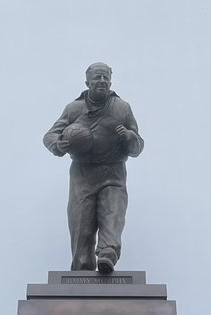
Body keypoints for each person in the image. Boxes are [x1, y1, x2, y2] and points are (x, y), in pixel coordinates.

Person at [43, 62, 144, 273]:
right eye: (97, 77)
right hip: (83, 174)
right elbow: (50, 135)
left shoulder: (122, 108)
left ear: (111, 80)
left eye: (105, 77)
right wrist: (58, 144)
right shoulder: (74, 108)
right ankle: (82, 271)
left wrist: (129, 137)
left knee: (113, 214)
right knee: (81, 225)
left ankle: (107, 254)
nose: (102, 81)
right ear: (87, 82)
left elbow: (137, 147)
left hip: (113, 172)